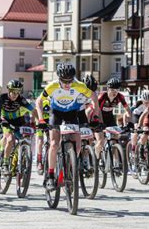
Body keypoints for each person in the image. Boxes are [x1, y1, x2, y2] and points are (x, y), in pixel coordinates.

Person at [36, 62, 102, 190]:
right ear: (59, 78)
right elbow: (39, 101)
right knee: (54, 143)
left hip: (71, 113)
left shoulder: (79, 85)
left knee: (77, 144)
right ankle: (50, 175)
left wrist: (95, 116)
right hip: (56, 113)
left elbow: (94, 97)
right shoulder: (52, 86)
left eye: (69, 81)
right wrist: (40, 119)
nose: (67, 84)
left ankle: (71, 167)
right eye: (64, 81)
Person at [0, 79, 36, 176]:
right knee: (10, 138)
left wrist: (34, 121)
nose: (15, 94)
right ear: (8, 90)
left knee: (23, 139)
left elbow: (33, 110)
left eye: (18, 92)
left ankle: (17, 162)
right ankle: (5, 163)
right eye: (13, 91)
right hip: (5, 120)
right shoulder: (2, 98)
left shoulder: (21, 99)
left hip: (18, 121)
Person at [93, 77, 132, 160]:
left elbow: (127, 109)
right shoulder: (102, 96)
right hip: (99, 116)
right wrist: (101, 122)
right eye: (112, 90)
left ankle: (116, 163)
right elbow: (98, 110)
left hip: (110, 117)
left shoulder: (120, 96)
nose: (115, 93)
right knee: (100, 141)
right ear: (108, 89)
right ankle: (96, 160)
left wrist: (130, 121)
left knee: (116, 137)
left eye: (117, 90)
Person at [129, 90, 149, 159]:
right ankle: (133, 149)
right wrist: (138, 126)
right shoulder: (138, 104)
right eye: (145, 102)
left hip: (146, 117)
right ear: (142, 100)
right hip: (137, 116)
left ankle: (146, 146)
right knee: (136, 130)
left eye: (148, 102)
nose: (147, 104)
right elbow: (134, 114)